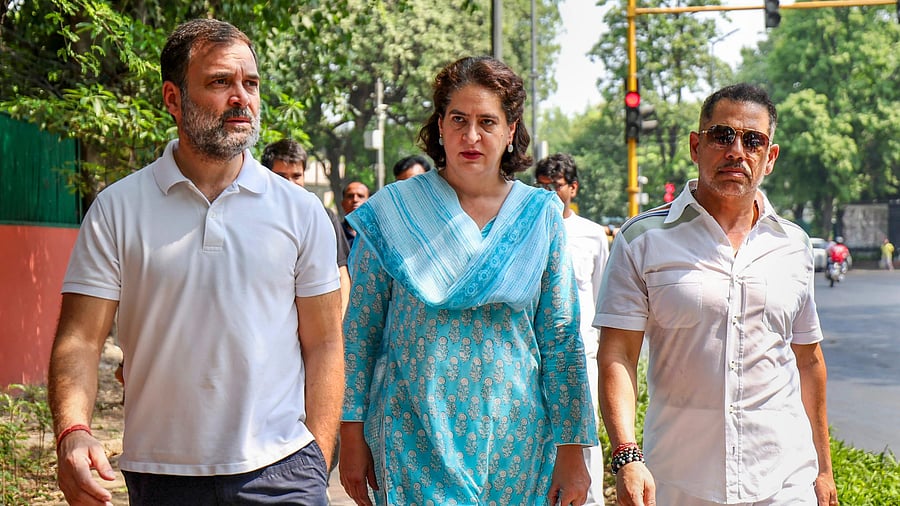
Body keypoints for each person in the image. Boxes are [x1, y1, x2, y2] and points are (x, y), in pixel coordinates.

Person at [48, 19, 344, 506]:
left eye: (250, 83)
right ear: (172, 99)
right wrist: (73, 432)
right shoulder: (118, 208)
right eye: (220, 82)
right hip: (160, 473)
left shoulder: (300, 209)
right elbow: (79, 339)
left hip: (283, 471)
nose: (241, 98)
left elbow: (326, 342)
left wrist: (317, 456)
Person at [339, 56, 596, 506]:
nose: (471, 136)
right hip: (413, 435)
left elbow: (560, 339)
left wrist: (573, 452)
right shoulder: (396, 211)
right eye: (458, 119)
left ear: (511, 130)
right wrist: (352, 434)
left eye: (487, 122)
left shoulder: (540, 217)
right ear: (440, 125)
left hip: (517, 442)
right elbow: (360, 332)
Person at [594, 83, 838, 506]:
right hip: (680, 482)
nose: (736, 151)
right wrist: (626, 454)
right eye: (722, 136)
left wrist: (823, 469)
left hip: (784, 481)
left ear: (770, 158)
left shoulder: (794, 245)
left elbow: (808, 360)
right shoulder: (642, 240)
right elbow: (617, 354)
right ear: (696, 145)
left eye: (753, 140)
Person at [534, 152, 609, 506]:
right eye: (542, 186)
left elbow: (602, 298)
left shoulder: (593, 236)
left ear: (573, 189)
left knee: (584, 436)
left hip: (583, 354)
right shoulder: (526, 234)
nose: (549, 193)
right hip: (536, 355)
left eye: (556, 186)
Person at [262, 138, 352, 313]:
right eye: (281, 177)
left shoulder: (323, 216)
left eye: (296, 176)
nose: (290, 184)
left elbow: (342, 273)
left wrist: (337, 325)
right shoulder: (254, 217)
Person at [340, 181, 369, 247]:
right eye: (350, 196)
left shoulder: (377, 236)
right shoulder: (335, 233)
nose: (355, 200)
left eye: (360, 196)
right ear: (343, 204)